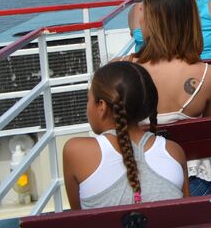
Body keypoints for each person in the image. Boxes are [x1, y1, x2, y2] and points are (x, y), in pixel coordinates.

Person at [128, 0, 211, 195]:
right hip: (195, 179)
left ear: (149, 21)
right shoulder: (208, 75)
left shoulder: (124, 71)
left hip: (140, 178)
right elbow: (209, 135)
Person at [63, 62, 187, 209]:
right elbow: (186, 216)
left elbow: (78, 218)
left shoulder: (75, 151)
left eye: (88, 99)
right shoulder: (174, 152)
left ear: (101, 106)